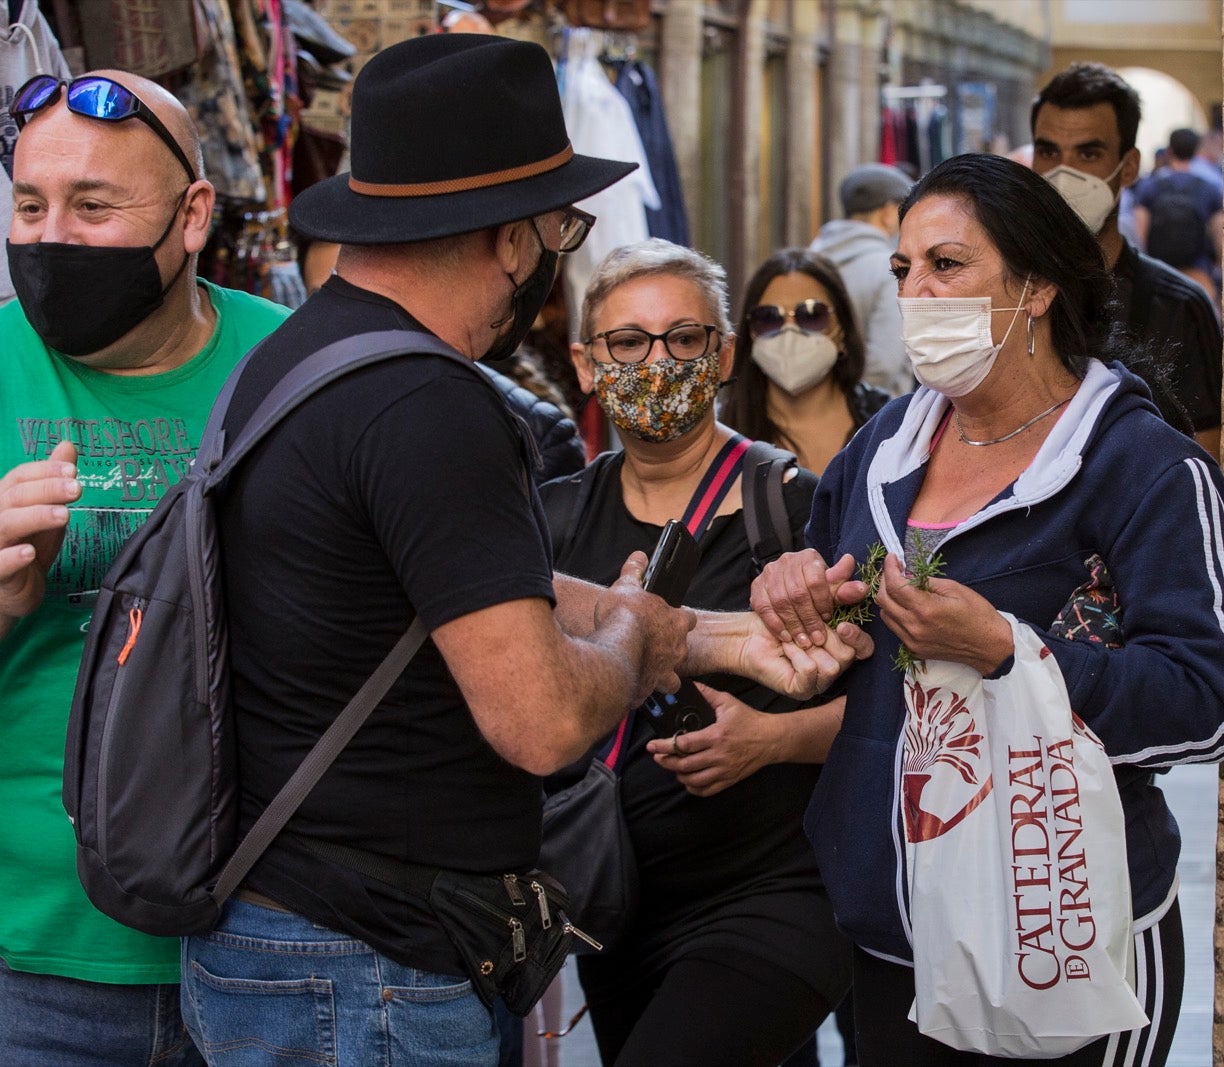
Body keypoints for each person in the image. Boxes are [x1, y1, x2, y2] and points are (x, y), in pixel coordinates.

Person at [179, 35, 866, 1067]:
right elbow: (543, 721)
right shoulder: (430, 404)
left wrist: (710, 638)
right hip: (365, 970)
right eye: (561, 227)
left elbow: (465, 591)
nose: (554, 253)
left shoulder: (293, 359)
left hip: (294, 934)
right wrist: (635, 636)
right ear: (511, 237)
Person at [750, 153, 1224, 1066]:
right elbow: (835, 647)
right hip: (895, 932)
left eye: (949, 264)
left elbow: (1205, 703)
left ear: (1039, 286)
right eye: (905, 270)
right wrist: (794, 600)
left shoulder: (1144, 467)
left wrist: (1007, 652)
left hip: (1061, 933)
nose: (917, 292)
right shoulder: (881, 452)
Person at [0, 70, 291, 1064]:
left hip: (271, 944)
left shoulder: (295, 364)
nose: (51, 238)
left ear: (194, 213)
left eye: (92, 206)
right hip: (33, 957)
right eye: (29, 205)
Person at [538, 238, 851, 1066]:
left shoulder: (797, 510)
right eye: (629, 342)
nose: (658, 361)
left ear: (722, 357)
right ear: (585, 363)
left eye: (684, 338)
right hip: (615, 903)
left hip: (778, 894)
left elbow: (906, 707)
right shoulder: (555, 520)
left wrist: (774, 738)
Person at [1031, 63, 1224, 458]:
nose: (1064, 173)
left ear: (1129, 166)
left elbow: (1203, 458)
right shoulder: (1007, 292)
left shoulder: (1177, 308)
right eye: (1049, 151)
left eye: (1088, 153)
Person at [722, 247, 891, 475]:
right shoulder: (723, 434)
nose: (789, 332)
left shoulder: (888, 424)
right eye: (769, 318)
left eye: (811, 315)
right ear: (750, 334)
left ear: (842, 329)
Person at [809, 163, 915, 396]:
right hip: (873, 418)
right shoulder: (889, 269)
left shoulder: (809, 258)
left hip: (808, 409)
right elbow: (884, 364)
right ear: (887, 213)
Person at [1134, 128, 1224, 305]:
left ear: (1170, 151)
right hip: (1198, 270)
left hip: (1159, 270)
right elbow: (1219, 233)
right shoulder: (1209, 188)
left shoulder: (1150, 186)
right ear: (1196, 150)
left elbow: (1140, 233)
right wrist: (1220, 267)